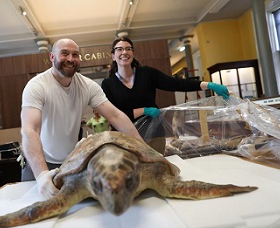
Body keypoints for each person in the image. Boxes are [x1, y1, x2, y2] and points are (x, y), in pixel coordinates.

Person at [20, 38, 143, 199]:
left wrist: (144, 151)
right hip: (38, 163)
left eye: (75, 55)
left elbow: (116, 116)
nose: (70, 59)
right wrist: (42, 174)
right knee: (32, 211)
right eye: (64, 53)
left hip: (69, 163)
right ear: (52, 57)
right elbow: (30, 129)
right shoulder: (37, 86)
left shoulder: (88, 86)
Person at [101, 37, 229, 152]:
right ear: (113, 55)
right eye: (119, 49)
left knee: (157, 170)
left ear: (133, 53)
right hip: (125, 137)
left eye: (128, 49)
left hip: (154, 135)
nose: (124, 52)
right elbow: (113, 116)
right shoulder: (108, 84)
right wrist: (144, 110)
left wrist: (208, 85)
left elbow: (176, 84)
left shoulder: (147, 74)